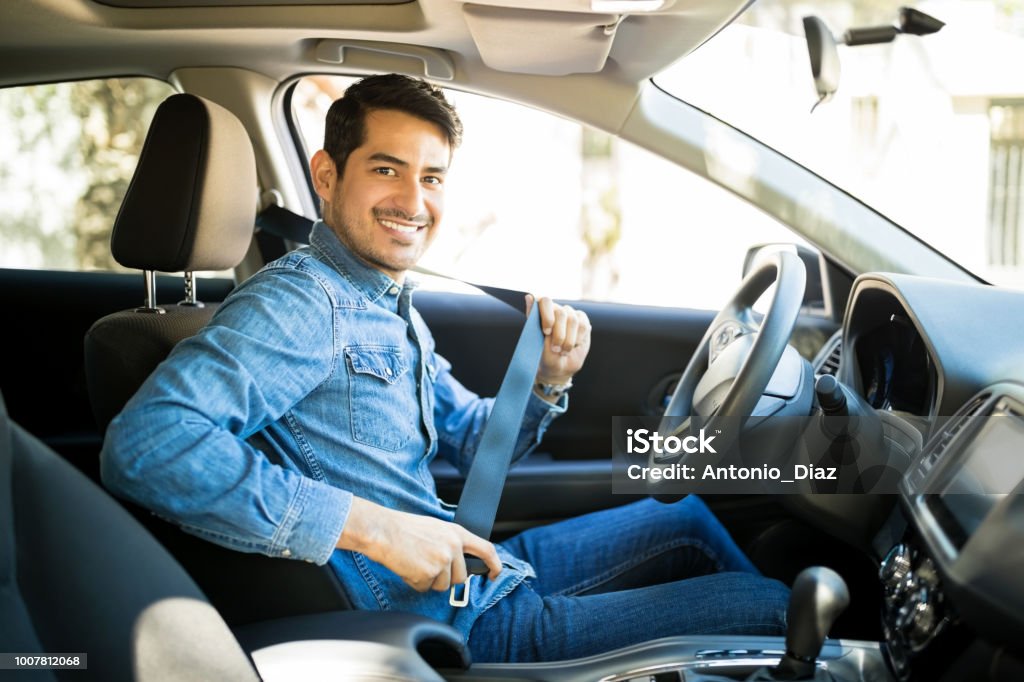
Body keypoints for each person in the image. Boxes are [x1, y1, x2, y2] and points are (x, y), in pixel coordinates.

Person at [101, 73, 788, 664]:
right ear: (326, 175)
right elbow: (148, 446)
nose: (413, 199)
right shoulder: (302, 301)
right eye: (385, 168)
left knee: (690, 519)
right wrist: (377, 528)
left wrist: (548, 377)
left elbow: (476, 440)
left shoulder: (383, 299)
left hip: (469, 575)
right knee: (775, 610)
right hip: (446, 623)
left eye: (430, 177)